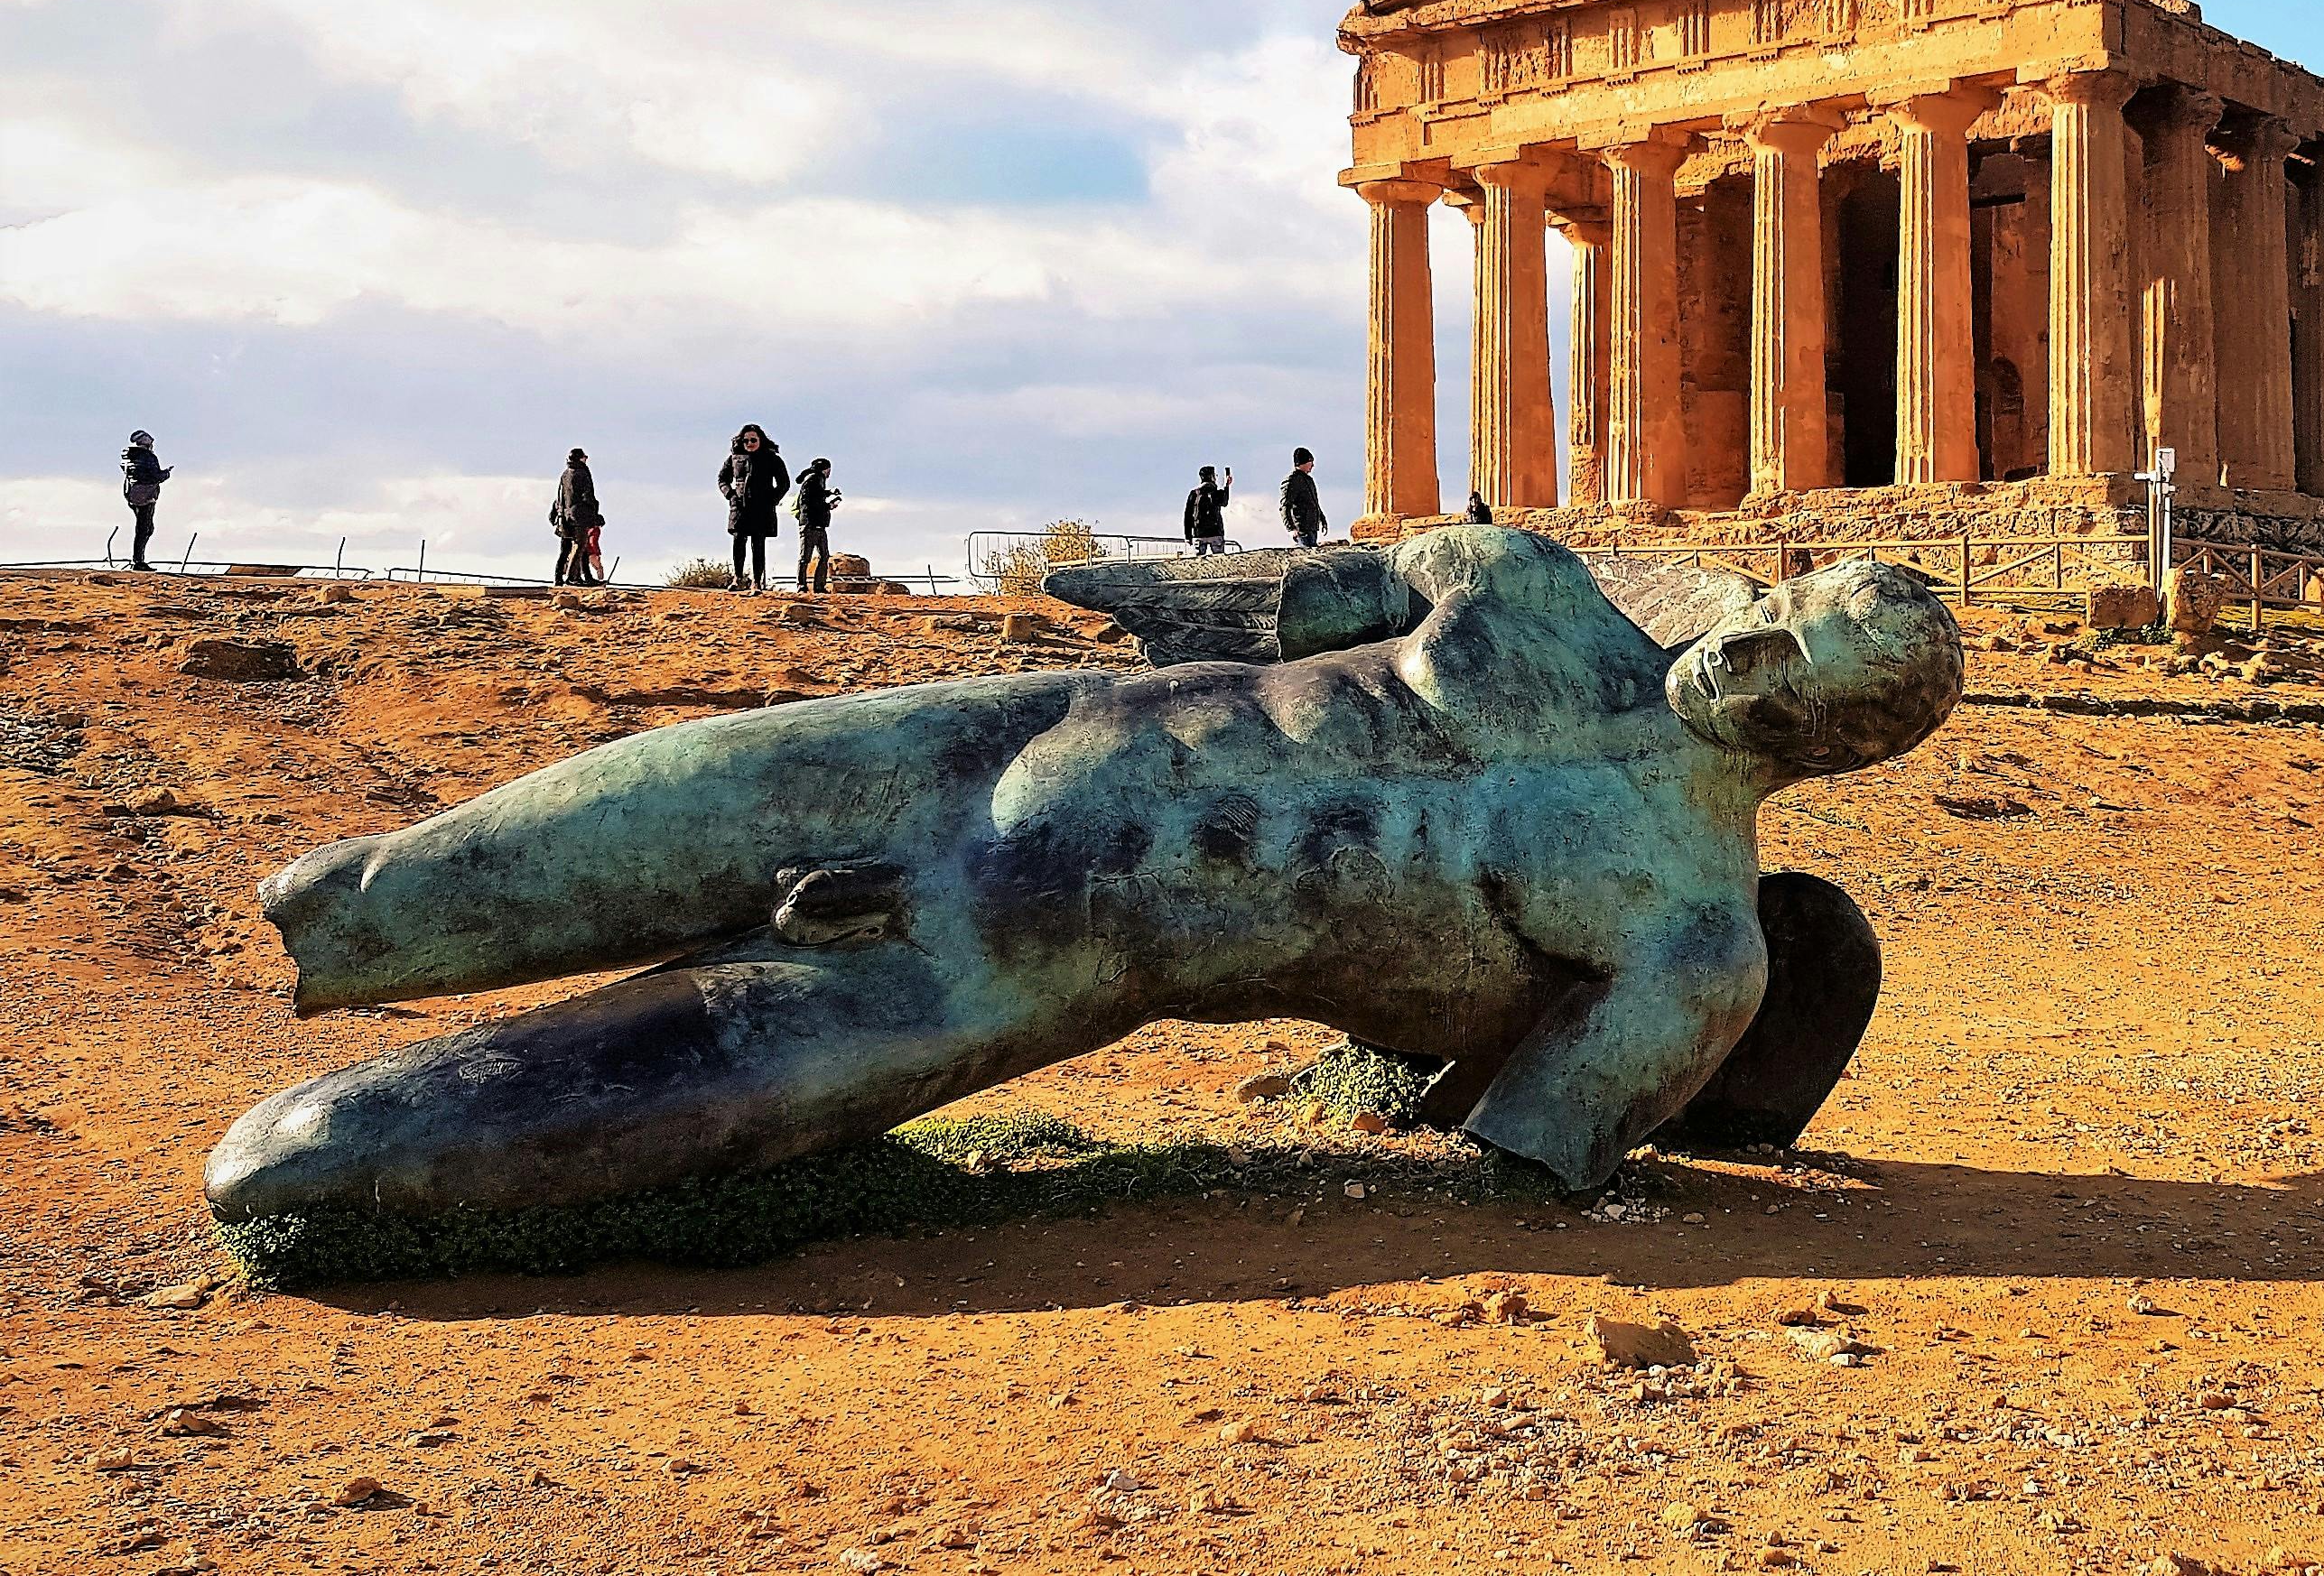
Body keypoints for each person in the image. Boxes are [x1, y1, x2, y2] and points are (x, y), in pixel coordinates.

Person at [209, 529, 1964, 1219]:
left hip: (1040, 955)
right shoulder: (1521, 584)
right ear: (1749, 591)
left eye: (1799, 683)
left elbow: (1512, 1164)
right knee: (378, 892)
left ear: (1844, 747)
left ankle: (337, 1195)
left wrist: (1453, 1103)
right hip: (988, 736)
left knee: (313, 1165)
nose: (1744, 666)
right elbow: (1284, 594)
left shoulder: (1691, 942)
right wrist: (1131, 585)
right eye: (1767, 620)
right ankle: (361, 946)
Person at [716, 424, 791, 592]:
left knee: (758, 544)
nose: (749, 443)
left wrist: (772, 500)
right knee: (738, 540)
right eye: (745, 440)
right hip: (740, 506)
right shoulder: (734, 458)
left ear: (760, 440)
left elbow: (784, 483)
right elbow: (722, 479)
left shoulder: (772, 459)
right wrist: (731, 495)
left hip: (762, 507)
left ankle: (756, 582)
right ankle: (737, 578)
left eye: (753, 440)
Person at [549, 449, 603, 586]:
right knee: (580, 546)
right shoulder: (582, 473)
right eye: (584, 457)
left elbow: (560, 496)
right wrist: (595, 514)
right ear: (580, 459)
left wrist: (555, 512)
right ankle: (573, 578)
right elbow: (587, 495)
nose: (586, 459)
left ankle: (560, 579)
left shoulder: (565, 474)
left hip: (565, 517)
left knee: (567, 549)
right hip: (579, 517)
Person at [790, 457, 842, 594]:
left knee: (823, 556)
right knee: (806, 557)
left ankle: (818, 586)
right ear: (825, 469)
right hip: (810, 524)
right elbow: (811, 502)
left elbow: (816, 495)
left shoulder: (815, 479)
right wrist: (828, 506)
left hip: (817, 524)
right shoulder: (814, 479)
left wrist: (829, 493)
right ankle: (803, 586)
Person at [119, 431, 171, 570]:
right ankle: (138, 561)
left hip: (132, 494)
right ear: (145, 441)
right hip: (146, 496)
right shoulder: (148, 457)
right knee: (145, 529)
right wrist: (166, 474)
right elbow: (154, 476)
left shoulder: (129, 456)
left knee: (146, 528)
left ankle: (138, 560)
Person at [1182, 466, 1235, 556]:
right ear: (1212, 477)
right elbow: (1224, 502)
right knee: (1219, 560)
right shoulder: (1215, 492)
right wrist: (1226, 486)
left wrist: (1188, 536)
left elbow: (1188, 516)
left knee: (1199, 562)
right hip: (1216, 532)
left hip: (1198, 533)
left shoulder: (1194, 494)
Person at [1280, 447, 1326, 550]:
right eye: (1310, 462)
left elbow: (1314, 503)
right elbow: (1285, 506)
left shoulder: (1309, 480)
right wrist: (1291, 528)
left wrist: (1322, 518)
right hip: (1302, 529)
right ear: (1303, 462)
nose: (1313, 465)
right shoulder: (1292, 481)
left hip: (1312, 527)